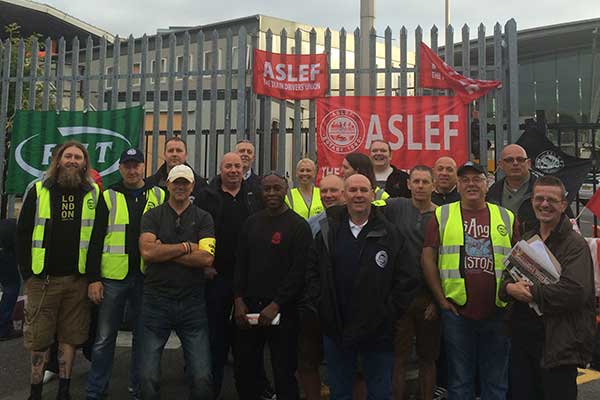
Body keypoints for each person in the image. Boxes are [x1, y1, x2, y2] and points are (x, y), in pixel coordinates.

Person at [305, 173, 418, 400]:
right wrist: (323, 308)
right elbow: (312, 273)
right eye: (353, 190)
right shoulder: (328, 231)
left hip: (379, 330)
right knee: (340, 392)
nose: (358, 195)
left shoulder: (390, 233)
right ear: (344, 195)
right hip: (337, 328)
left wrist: (388, 313)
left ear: (373, 194)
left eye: (363, 190)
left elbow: (407, 278)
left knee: (379, 392)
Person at [421, 161, 517, 400]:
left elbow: (519, 261)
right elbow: (427, 258)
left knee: (495, 382)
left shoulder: (506, 216)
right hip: (457, 313)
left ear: (487, 184)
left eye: (477, 179)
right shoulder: (442, 214)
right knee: (460, 382)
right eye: (465, 180)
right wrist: (441, 301)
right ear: (458, 184)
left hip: (498, 311)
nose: (471, 184)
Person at [17, 141, 100, 400]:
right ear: (58, 160)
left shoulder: (93, 192)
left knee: (70, 337)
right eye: (68, 156)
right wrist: (28, 273)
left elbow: (97, 238)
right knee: (39, 338)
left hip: (76, 280)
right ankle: (35, 392)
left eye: (78, 157)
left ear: (85, 163)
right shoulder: (39, 190)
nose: (73, 161)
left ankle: (64, 391)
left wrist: (92, 277)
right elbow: (23, 234)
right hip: (43, 279)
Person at [500, 176, 596, 400]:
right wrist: (508, 289)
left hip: (557, 344)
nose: (544, 204)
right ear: (532, 201)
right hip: (522, 341)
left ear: (563, 205)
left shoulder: (575, 245)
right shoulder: (527, 238)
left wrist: (531, 292)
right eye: (539, 198)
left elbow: (574, 292)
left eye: (551, 200)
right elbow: (506, 277)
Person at [85, 148, 165, 400]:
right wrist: (94, 278)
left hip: (147, 277)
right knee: (104, 337)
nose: (132, 170)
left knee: (144, 337)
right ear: (120, 168)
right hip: (113, 278)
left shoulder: (159, 194)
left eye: (136, 165)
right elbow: (95, 239)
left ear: (144, 166)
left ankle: (138, 388)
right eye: (127, 165)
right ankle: (96, 390)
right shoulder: (108, 196)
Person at [138, 164, 216, 400]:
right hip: (156, 300)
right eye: (176, 182)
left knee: (202, 376)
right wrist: (185, 248)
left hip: (192, 302)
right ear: (168, 184)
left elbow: (207, 257)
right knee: (148, 377)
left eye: (185, 182)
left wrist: (165, 251)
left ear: (192, 185)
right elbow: (148, 253)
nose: (180, 187)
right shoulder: (152, 215)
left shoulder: (203, 217)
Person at [233, 172, 313, 400]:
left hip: (283, 312)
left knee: (284, 372)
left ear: (286, 190)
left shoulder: (298, 226)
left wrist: (276, 305)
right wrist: (238, 301)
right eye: (266, 189)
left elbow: (299, 273)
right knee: (246, 371)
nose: (271, 193)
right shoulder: (251, 223)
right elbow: (241, 264)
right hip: (249, 310)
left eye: (276, 188)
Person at [196, 152, 265, 398]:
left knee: (247, 337)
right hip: (216, 276)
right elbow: (197, 231)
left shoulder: (256, 195)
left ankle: (248, 390)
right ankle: (210, 390)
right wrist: (204, 265)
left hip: (248, 278)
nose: (234, 170)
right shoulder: (206, 196)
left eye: (237, 165)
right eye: (229, 166)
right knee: (215, 336)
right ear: (220, 169)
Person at [382, 166, 440, 400]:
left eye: (425, 182)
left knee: (428, 358)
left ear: (433, 186)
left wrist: (438, 301)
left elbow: (446, 261)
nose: (420, 186)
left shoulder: (443, 215)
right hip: (400, 297)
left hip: (429, 298)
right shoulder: (396, 207)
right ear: (408, 184)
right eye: (416, 181)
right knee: (399, 357)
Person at [300, 173, 346, 400]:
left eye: (333, 191)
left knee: (349, 365)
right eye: (324, 191)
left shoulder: (354, 221)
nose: (328, 195)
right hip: (317, 303)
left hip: (347, 305)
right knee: (309, 359)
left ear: (344, 194)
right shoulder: (312, 224)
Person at [487, 144, 537, 235]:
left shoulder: (544, 189)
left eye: (520, 159)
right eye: (509, 160)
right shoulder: (492, 193)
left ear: (528, 163)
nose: (515, 163)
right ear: (500, 165)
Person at [145, 136, 208, 202]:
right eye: (170, 151)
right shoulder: (150, 184)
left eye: (179, 151)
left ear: (186, 155)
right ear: (164, 155)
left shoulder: (200, 185)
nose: (174, 154)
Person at [0, 218, 21, 341]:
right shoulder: (15, 227)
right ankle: (3, 328)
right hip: (5, 253)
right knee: (12, 288)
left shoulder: (10, 223)